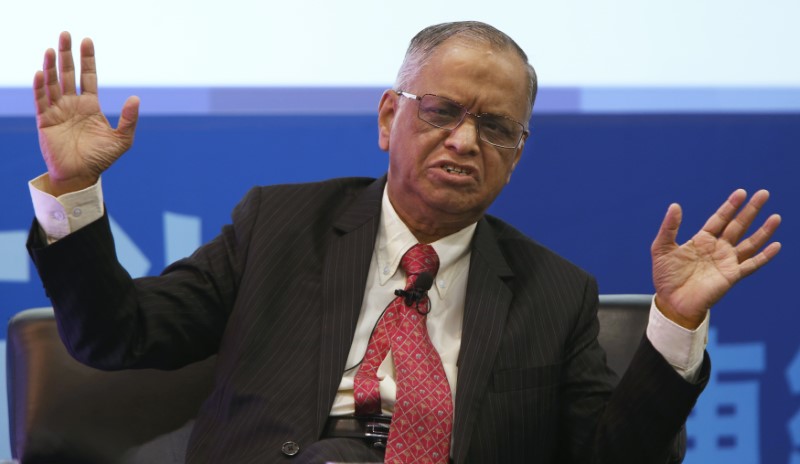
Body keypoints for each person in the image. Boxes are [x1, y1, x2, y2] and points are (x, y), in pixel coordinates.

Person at [26, 21, 781, 464]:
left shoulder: (554, 293)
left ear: (517, 155)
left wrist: (675, 324)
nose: (463, 141)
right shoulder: (281, 227)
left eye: (494, 128)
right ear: (391, 117)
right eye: (443, 111)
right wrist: (73, 194)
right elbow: (115, 335)